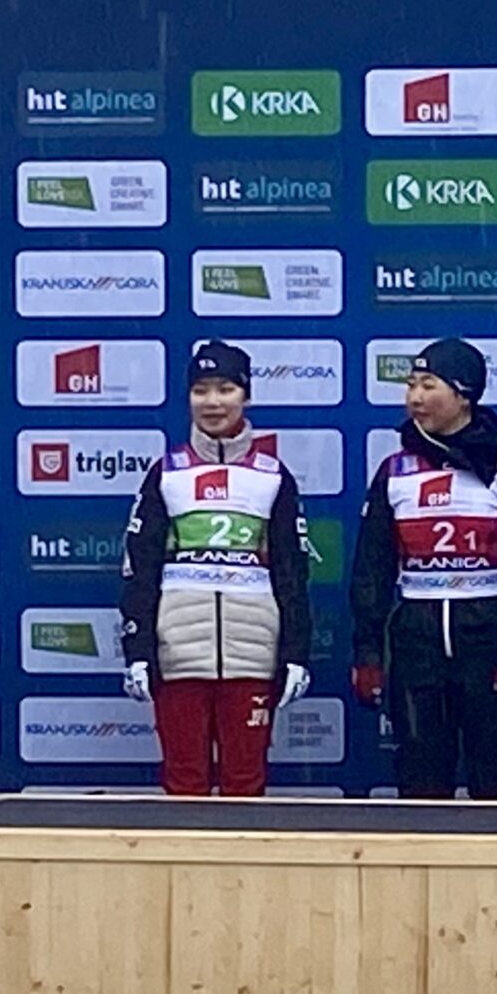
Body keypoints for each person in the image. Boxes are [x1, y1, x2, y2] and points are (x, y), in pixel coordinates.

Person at [351, 339, 497, 797]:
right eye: (410, 385)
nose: (415, 397)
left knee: (494, 777)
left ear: (464, 394)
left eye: (428, 385)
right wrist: (366, 653)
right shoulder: (394, 471)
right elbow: (372, 572)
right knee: (420, 777)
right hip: (416, 643)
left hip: (487, 639)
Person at [117, 340, 315, 795]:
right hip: (179, 656)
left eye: (225, 389)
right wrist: (139, 651)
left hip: (252, 657)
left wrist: (296, 654)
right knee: (184, 783)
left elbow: (292, 574)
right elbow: (139, 570)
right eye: (201, 390)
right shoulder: (166, 473)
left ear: (245, 396)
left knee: (245, 784)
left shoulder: (273, 475)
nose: (212, 402)